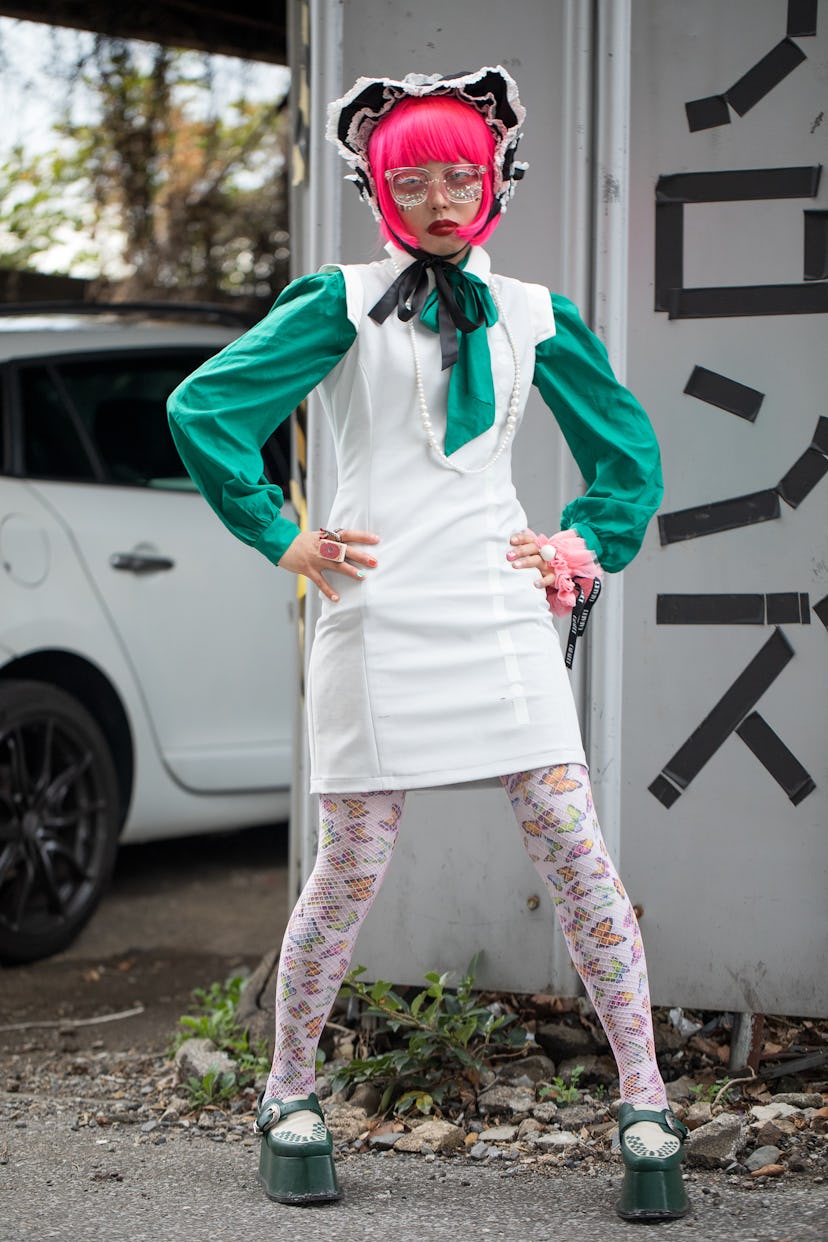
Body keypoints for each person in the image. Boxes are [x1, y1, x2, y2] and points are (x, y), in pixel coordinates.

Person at [167, 66, 689, 1222]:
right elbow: (205, 409)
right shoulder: (339, 300)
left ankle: (646, 1102)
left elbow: (628, 457)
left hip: (498, 610)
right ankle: (289, 1092)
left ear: (496, 178)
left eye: (464, 174)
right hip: (377, 610)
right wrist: (286, 538)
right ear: (378, 187)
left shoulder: (540, 311)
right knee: (350, 868)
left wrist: (579, 547)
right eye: (417, 178)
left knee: (574, 845)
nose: (445, 198)